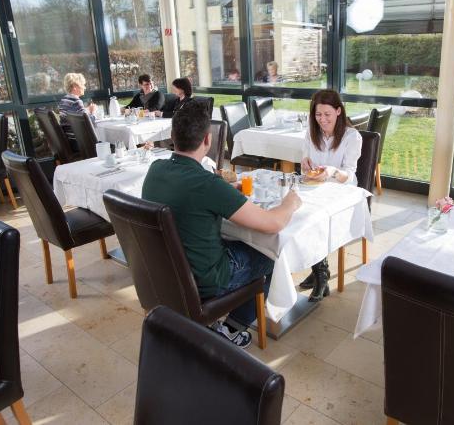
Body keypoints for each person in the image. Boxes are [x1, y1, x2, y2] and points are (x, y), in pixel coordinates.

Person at [143, 100, 302, 348]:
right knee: (270, 254)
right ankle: (232, 328)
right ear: (208, 139)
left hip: (166, 271)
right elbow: (273, 223)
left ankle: (224, 323)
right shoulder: (208, 184)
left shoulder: (156, 169)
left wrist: (226, 192)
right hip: (206, 279)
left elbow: (193, 197)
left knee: (240, 242)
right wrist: (290, 202)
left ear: (173, 136)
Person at [298, 89, 363, 302]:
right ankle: (320, 270)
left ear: (338, 111)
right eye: (318, 115)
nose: (322, 120)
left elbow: (350, 175)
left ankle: (320, 273)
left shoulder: (351, 137)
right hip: (316, 189)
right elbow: (306, 164)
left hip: (342, 193)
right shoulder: (311, 133)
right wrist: (305, 163)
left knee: (311, 218)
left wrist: (332, 172)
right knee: (296, 214)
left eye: (327, 114)